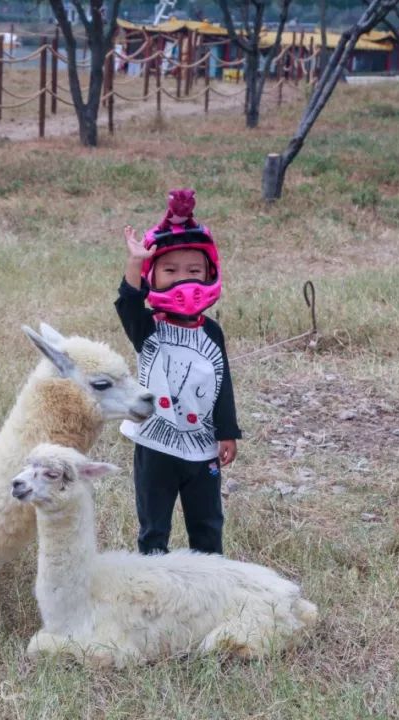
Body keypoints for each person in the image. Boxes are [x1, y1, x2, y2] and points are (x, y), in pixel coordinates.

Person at [115, 188, 242, 556]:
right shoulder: (148, 326)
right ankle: (154, 587)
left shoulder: (211, 331)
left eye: (193, 270)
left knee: (207, 524)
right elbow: (127, 302)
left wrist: (228, 432)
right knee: (154, 526)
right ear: (155, 275)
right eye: (170, 270)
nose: (182, 277)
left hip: (202, 447)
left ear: (209, 272)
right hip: (155, 445)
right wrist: (136, 263)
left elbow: (222, 385)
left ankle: (210, 585)